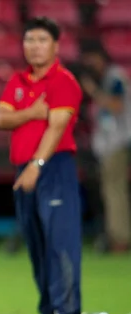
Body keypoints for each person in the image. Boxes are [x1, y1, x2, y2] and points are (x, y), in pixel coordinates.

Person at [0, 17, 83, 314]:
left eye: (42, 40)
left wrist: (37, 165)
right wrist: (31, 113)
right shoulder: (18, 80)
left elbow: (57, 126)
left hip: (53, 167)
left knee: (61, 241)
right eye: (29, 40)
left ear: (56, 45)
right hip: (25, 170)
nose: (34, 46)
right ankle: (48, 313)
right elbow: (0, 118)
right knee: (36, 243)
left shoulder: (64, 81)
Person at [80, 42, 131, 253]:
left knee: (115, 190)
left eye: (93, 58)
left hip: (118, 141)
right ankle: (115, 235)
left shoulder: (114, 77)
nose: (90, 63)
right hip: (107, 143)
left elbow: (117, 105)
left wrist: (93, 91)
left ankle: (120, 238)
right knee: (110, 189)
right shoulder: (103, 78)